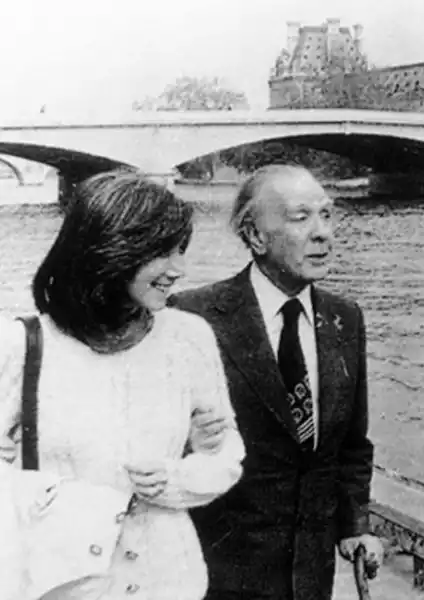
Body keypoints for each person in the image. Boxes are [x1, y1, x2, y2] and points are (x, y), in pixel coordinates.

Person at [0, 170, 246, 599]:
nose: (179, 270)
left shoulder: (189, 337)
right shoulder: (22, 344)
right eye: (164, 253)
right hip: (64, 586)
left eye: (181, 251)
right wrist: (66, 499)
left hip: (169, 581)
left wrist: (180, 478)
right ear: (110, 252)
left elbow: (226, 450)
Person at [169, 164, 383, 600]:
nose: (323, 232)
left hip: (311, 574)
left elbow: (351, 445)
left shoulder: (345, 317)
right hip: (219, 574)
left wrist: (355, 525)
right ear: (254, 236)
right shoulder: (193, 317)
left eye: (327, 214)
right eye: (300, 217)